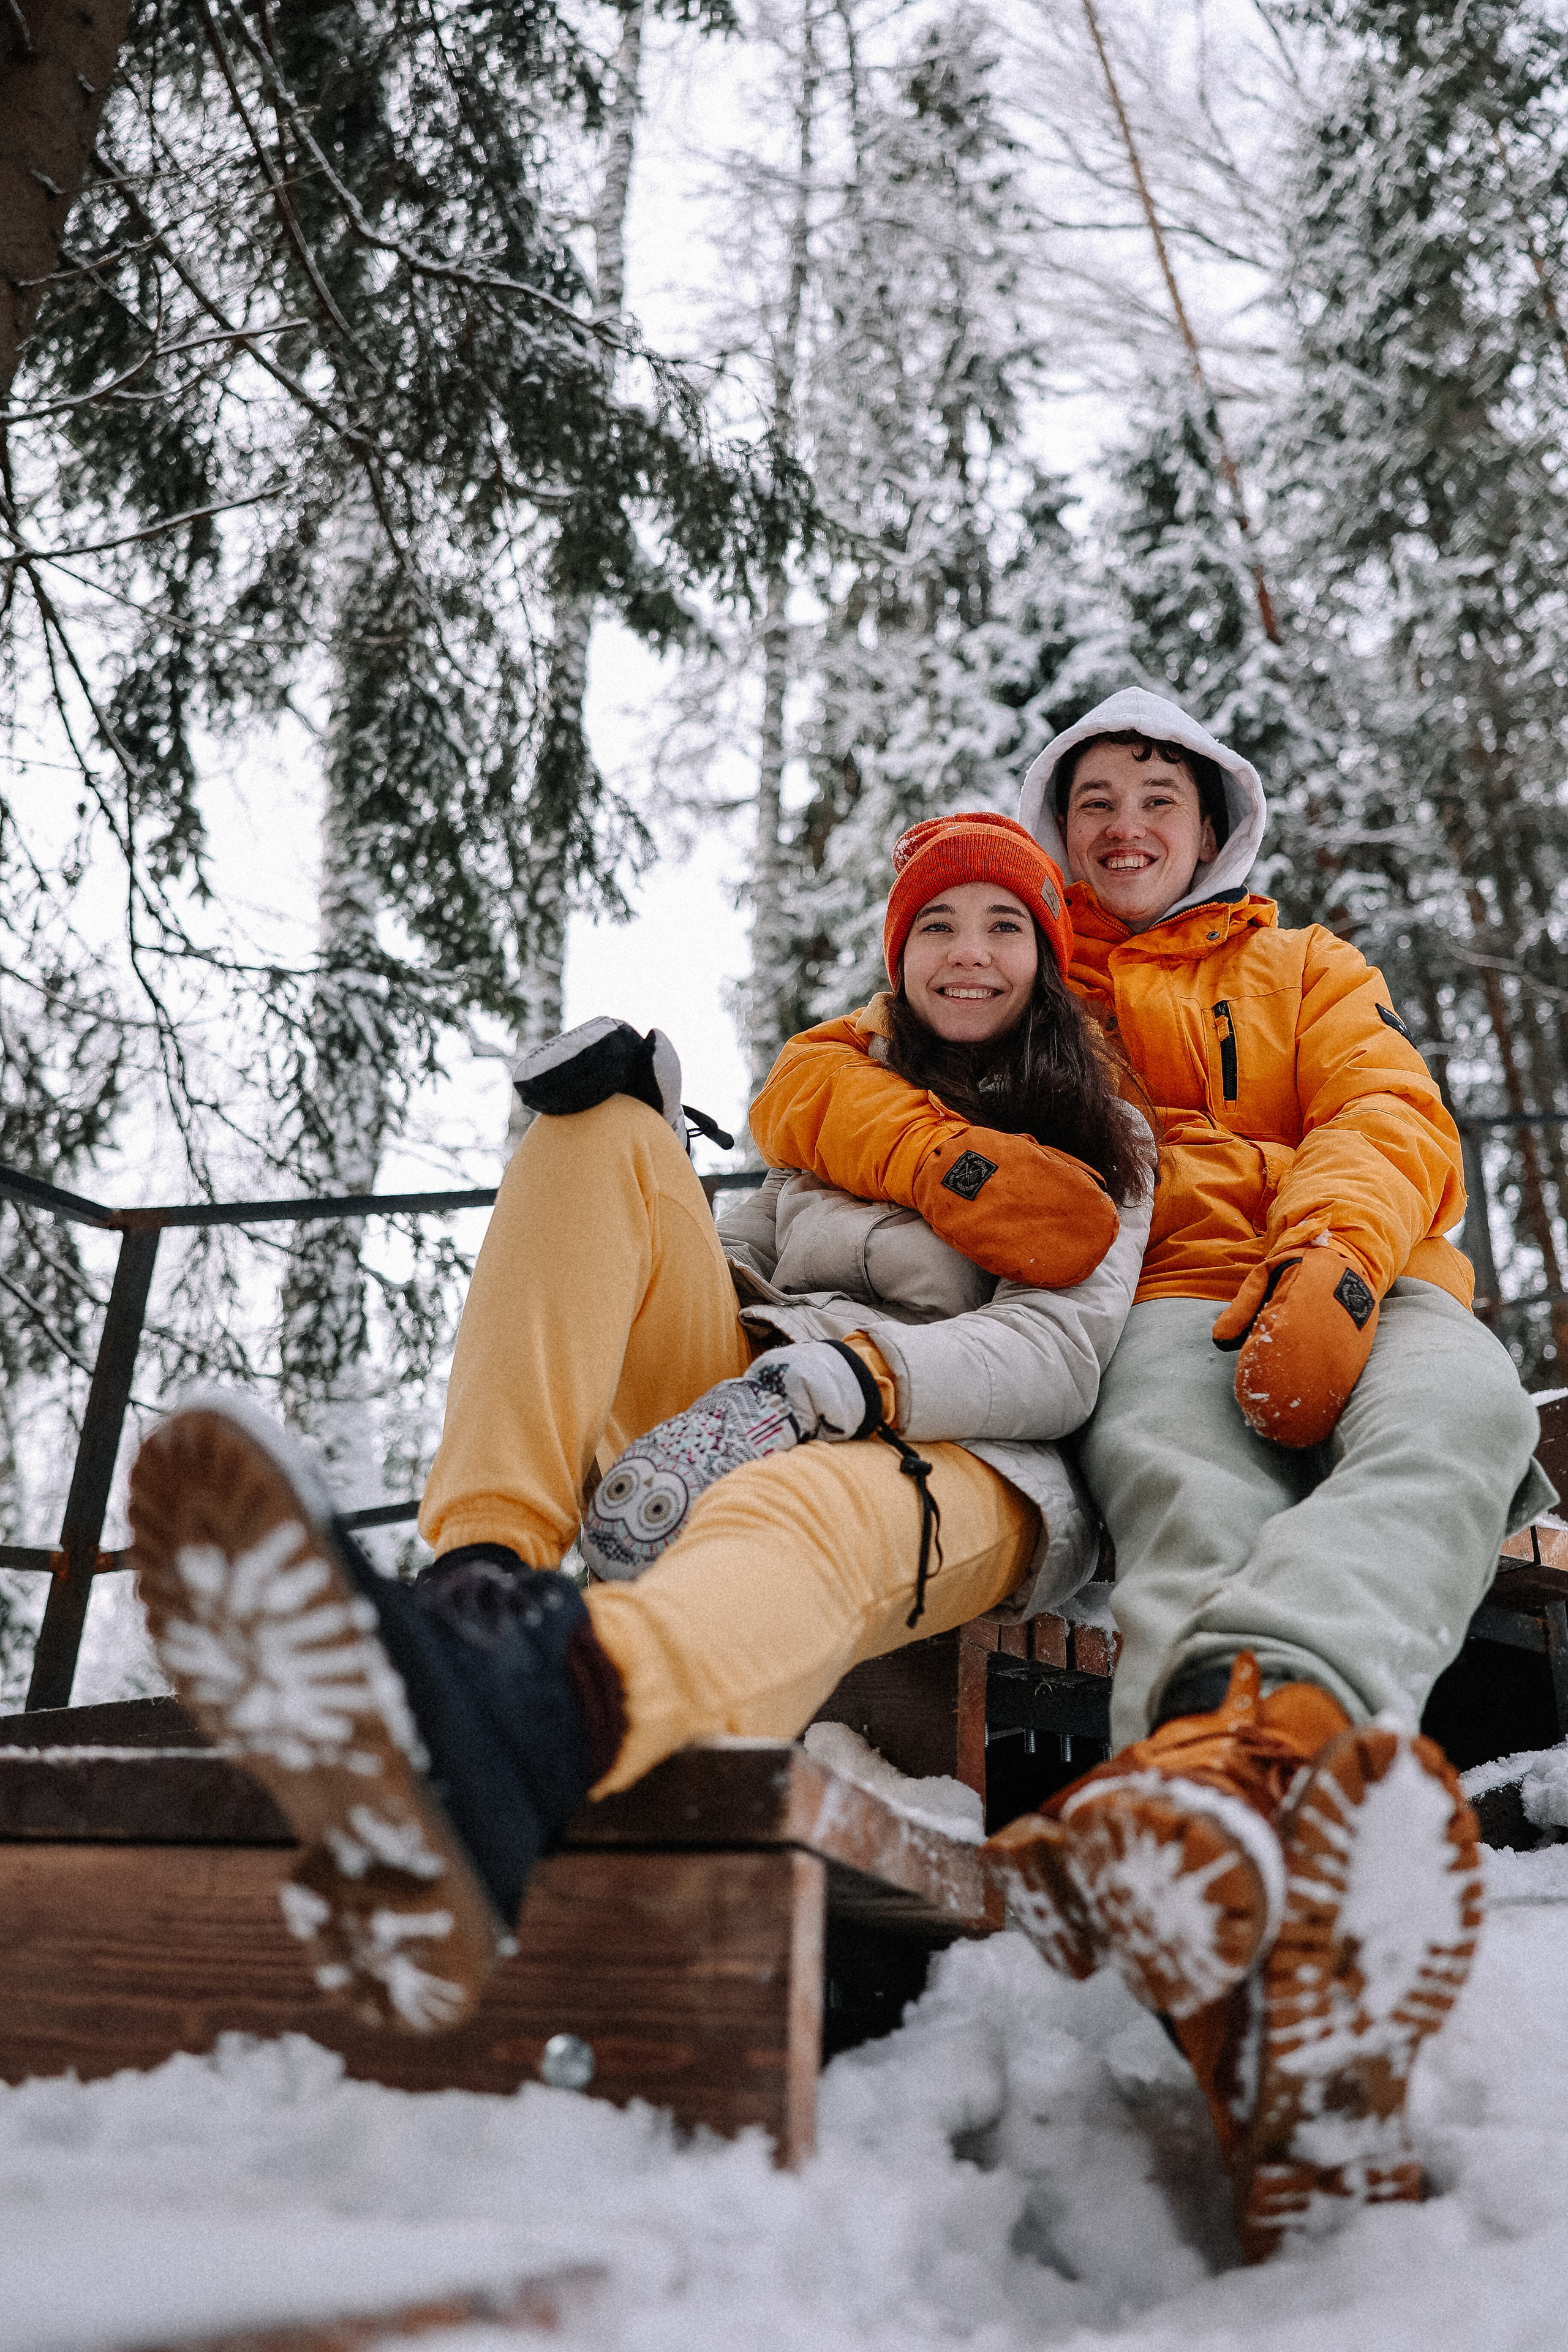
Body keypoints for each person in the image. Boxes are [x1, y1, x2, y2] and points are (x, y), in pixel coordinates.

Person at [752, 685, 1550, 2261]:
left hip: (1364, 1277)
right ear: (1058, 827)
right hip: (1165, 1306)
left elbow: (1389, 1110)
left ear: (1209, 826)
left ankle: (1234, 1762)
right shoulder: (1029, 967)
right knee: (1191, 1494)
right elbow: (813, 1080)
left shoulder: (1302, 965)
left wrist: (1329, 1258)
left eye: (1155, 801)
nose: (1123, 826)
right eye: (1093, 800)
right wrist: (944, 1160)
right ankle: (1260, 1917)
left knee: (1464, 1421)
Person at [126, 812, 1153, 2032]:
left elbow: (1058, 1356)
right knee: (595, 1130)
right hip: (754, 1394)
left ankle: (544, 1714)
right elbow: (724, 1274)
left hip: (960, 1458)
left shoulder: (1100, 1136)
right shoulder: (839, 1121)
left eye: (1000, 927)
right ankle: (480, 1584)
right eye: (934, 925)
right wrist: (650, 1163)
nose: (966, 953)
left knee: (790, 1504)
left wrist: (866, 1381)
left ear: (1043, 957)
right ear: (898, 957)